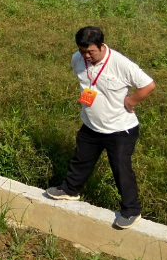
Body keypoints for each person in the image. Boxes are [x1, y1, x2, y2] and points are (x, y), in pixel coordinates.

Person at [46, 26, 156, 230]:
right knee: (80, 159)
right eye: (82, 51)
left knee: (121, 169)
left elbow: (148, 85)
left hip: (120, 130)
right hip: (91, 125)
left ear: (102, 46)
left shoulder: (120, 63)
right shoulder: (77, 59)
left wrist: (131, 101)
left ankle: (131, 211)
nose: (86, 56)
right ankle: (70, 190)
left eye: (91, 52)